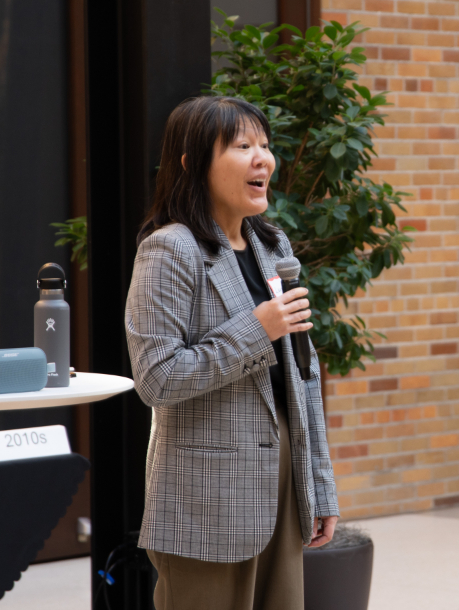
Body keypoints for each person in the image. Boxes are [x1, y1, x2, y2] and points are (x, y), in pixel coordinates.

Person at [125, 95, 339, 610]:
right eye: (243, 146)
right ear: (192, 163)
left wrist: (320, 487)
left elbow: (303, 377)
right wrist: (255, 330)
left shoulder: (273, 246)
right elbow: (156, 378)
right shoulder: (170, 249)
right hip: (206, 498)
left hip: (283, 486)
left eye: (264, 145)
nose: (262, 158)